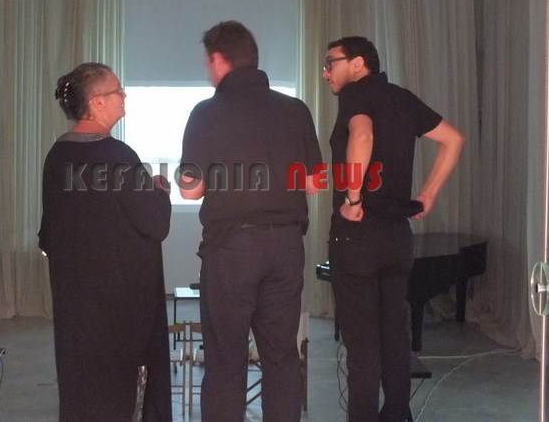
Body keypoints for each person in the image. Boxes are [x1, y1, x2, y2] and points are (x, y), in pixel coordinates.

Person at [179, 21, 322, 422]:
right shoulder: (295, 109)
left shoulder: (206, 113)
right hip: (286, 246)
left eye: (207, 63)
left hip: (232, 249)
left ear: (219, 59)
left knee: (226, 358)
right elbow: (314, 183)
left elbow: (190, 190)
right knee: (281, 356)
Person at [323, 36, 464, 422]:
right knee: (394, 336)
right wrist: (428, 194)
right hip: (397, 237)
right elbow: (452, 140)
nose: (325, 72)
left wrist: (353, 198)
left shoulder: (354, 94)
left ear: (357, 63)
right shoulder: (403, 98)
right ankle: (397, 414)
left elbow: (362, 135)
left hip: (358, 235)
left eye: (331, 62)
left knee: (362, 342)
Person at [38, 62, 172, 422]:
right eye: (117, 90)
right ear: (96, 102)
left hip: (76, 310)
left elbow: (49, 234)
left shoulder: (57, 156)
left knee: (84, 395)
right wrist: (160, 192)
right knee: (123, 395)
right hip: (122, 312)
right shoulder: (117, 157)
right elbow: (156, 223)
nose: (124, 95)